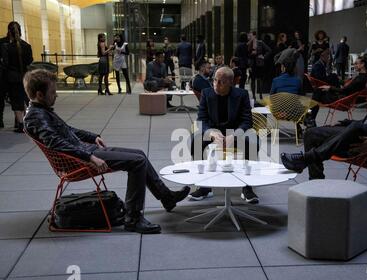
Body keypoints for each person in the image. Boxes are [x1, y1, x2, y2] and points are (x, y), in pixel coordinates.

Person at [23, 69, 191, 234]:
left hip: (84, 152)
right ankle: (133, 218)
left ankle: (167, 198)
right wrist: (90, 157)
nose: (56, 95)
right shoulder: (36, 117)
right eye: (52, 92)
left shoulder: (41, 112)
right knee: (137, 162)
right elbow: (56, 143)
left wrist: (92, 136)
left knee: (139, 154)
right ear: (39, 95)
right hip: (79, 159)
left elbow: (67, 130)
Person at [189, 67, 260, 204]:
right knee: (195, 140)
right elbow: (201, 119)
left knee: (252, 141)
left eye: (221, 82)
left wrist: (234, 135)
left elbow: (247, 121)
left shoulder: (242, 94)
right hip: (213, 131)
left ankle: (247, 187)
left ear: (230, 83)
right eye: (215, 80)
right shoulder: (206, 93)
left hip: (234, 131)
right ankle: (204, 186)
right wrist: (211, 133)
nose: (216, 84)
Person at [307, 56, 367, 127]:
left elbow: (344, 90)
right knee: (321, 90)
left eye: (356, 63)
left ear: (362, 64)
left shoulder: (360, 79)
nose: (354, 65)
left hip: (342, 100)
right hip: (344, 98)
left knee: (317, 93)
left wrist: (330, 88)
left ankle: (309, 117)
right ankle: (310, 118)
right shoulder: (362, 77)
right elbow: (347, 88)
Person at [0, 21, 33, 133]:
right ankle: (27, 123)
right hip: (25, 76)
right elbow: (30, 61)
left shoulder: (6, 47)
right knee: (25, 100)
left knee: (16, 101)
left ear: (9, 31)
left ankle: (20, 125)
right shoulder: (27, 46)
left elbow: (5, 64)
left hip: (12, 78)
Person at [248, 31, 271, 100]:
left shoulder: (260, 43)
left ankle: (260, 94)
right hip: (252, 63)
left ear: (254, 36)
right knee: (252, 80)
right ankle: (254, 96)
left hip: (259, 63)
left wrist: (263, 56)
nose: (250, 37)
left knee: (260, 79)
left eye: (251, 35)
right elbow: (247, 54)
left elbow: (269, 50)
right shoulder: (249, 43)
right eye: (249, 36)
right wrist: (251, 54)